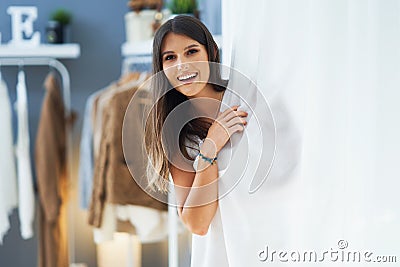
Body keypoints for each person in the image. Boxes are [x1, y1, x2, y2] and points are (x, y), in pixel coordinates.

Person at [145, 15, 256, 266]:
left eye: (191, 51)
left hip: (268, 242)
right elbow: (198, 223)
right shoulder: (177, 134)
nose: (182, 65)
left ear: (211, 52)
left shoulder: (244, 95)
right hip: (222, 255)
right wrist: (209, 148)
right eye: (170, 57)